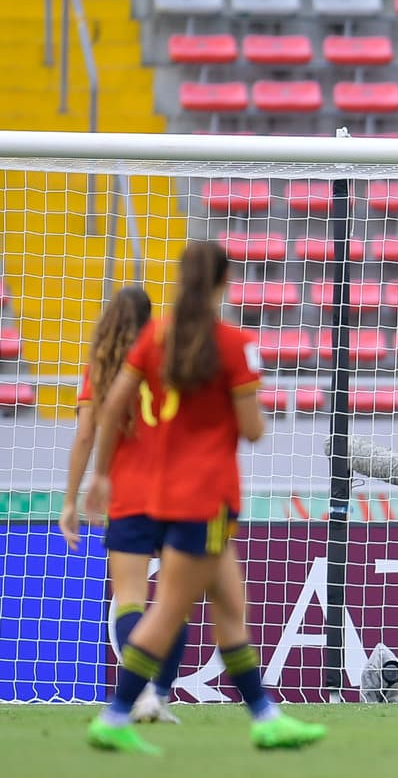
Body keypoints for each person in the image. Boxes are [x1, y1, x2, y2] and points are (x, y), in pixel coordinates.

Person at [84, 241, 325, 754]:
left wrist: (101, 474)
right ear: (222, 283)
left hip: (166, 492)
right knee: (170, 610)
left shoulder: (155, 338)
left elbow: (112, 409)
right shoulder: (233, 344)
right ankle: (117, 714)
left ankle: (265, 717)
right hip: (208, 499)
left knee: (231, 607)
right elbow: (253, 430)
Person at [60, 285, 184, 724]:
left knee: (129, 598)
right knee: (174, 598)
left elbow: (84, 436)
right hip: (173, 493)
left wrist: (71, 500)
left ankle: (137, 694)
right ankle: (159, 695)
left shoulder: (102, 368)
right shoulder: (167, 362)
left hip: (126, 494)